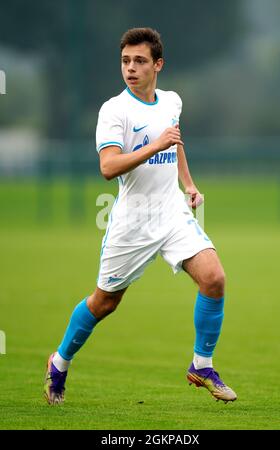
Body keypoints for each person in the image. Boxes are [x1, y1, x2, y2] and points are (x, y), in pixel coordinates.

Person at [44, 27, 237, 405]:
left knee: (214, 278)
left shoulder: (171, 102)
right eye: (125, 61)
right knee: (105, 302)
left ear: (158, 65)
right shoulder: (114, 110)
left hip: (171, 212)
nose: (130, 68)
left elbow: (175, 142)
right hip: (132, 223)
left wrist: (189, 184)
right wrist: (154, 145)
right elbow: (108, 166)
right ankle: (60, 362)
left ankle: (201, 365)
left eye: (139, 61)